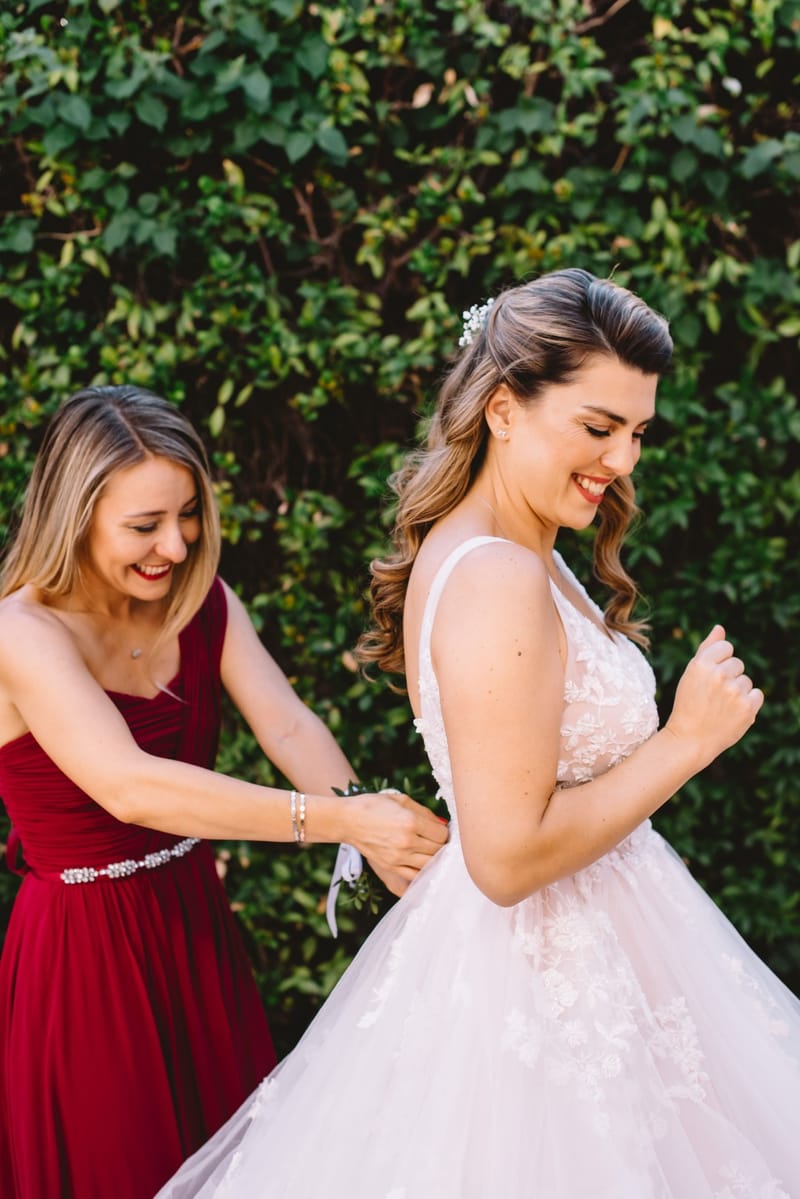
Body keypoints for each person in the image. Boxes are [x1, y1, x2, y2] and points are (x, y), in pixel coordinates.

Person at [156, 269, 800, 1198]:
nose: (623, 459)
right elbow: (505, 858)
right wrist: (686, 741)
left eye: (637, 432)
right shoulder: (497, 572)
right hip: (540, 989)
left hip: (604, 960)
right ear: (504, 409)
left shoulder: (519, 544)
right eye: (597, 427)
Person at [0, 385, 449, 1199]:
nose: (174, 545)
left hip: (194, 928)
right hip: (84, 958)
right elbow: (129, 786)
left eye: (189, 515)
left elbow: (286, 727)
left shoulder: (200, 601)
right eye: (144, 525)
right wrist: (340, 819)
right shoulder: (17, 634)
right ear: (75, 515)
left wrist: (382, 839)